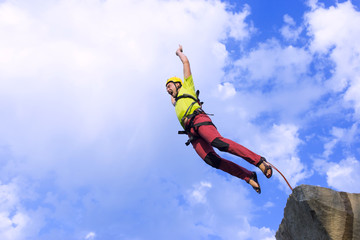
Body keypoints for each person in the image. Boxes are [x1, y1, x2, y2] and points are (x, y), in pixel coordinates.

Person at [165, 45, 273, 194]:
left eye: (169, 86)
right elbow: (171, 96)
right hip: (191, 134)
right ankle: (248, 176)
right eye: (166, 89)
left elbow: (186, 64)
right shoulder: (175, 101)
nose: (168, 89)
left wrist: (179, 54)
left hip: (198, 119)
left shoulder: (187, 87)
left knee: (219, 143)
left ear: (178, 84)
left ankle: (259, 161)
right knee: (212, 160)